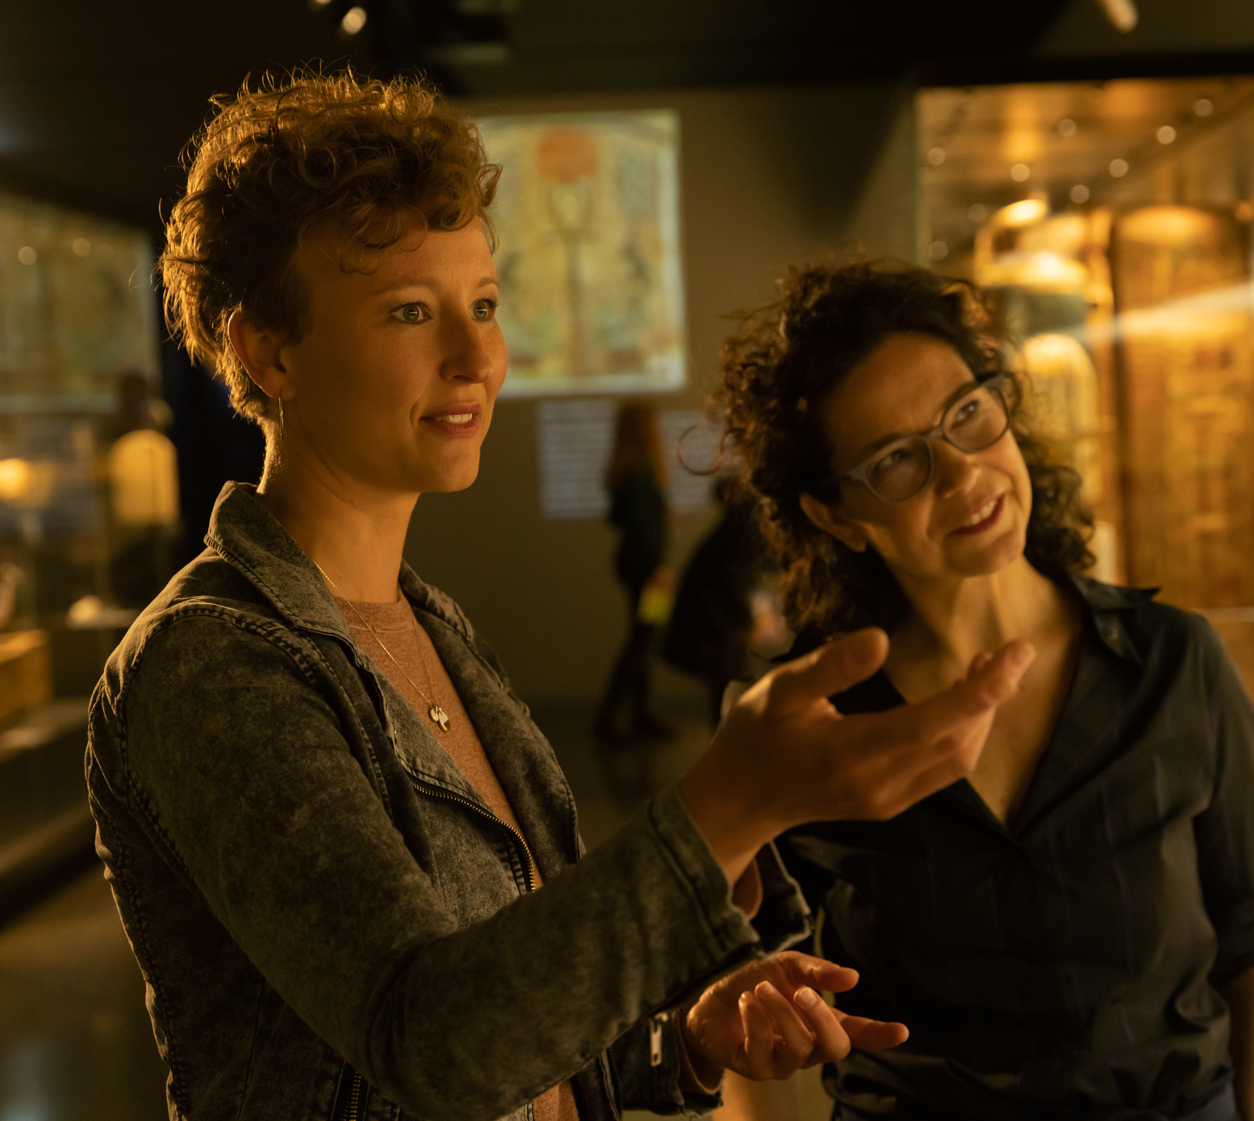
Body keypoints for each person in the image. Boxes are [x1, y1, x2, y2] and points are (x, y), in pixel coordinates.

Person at [85, 73, 1036, 1121]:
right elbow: (432, 1043)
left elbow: (521, 1003)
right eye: (411, 311)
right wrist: (731, 803)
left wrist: (686, 1038)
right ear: (268, 350)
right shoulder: (213, 661)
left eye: (485, 306)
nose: (476, 357)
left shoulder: (434, 626)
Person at [714, 260, 1254, 1121]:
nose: (960, 475)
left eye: (967, 415)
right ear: (836, 515)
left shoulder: (1172, 662)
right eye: (896, 460)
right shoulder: (806, 720)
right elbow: (737, 993)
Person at [662, 475, 773, 727]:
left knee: (727, 684)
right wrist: (745, 621)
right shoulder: (740, 529)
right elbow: (732, 579)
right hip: (721, 623)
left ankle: (726, 735)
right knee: (729, 682)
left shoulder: (731, 529)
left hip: (714, 619)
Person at [594, 400, 672, 744]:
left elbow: (616, 519)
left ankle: (641, 711)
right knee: (644, 638)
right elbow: (642, 529)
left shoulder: (626, 471)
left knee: (643, 635)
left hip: (634, 565)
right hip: (650, 569)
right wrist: (660, 568)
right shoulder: (642, 473)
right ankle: (612, 713)